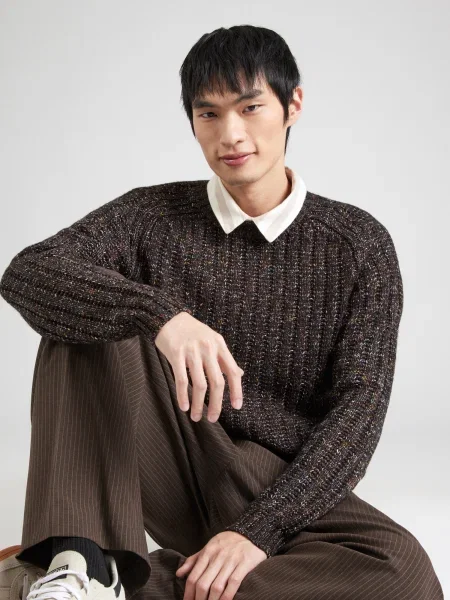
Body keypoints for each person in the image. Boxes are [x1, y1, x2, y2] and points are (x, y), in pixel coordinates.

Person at [0, 24, 443, 600]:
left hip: (279, 482)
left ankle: (99, 585)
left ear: (292, 105)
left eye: (250, 107)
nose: (231, 134)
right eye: (208, 114)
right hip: (173, 453)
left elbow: (358, 414)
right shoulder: (151, 216)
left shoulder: (358, 244)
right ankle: (79, 559)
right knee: (85, 310)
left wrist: (258, 530)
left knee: (403, 575)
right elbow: (28, 272)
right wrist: (162, 317)